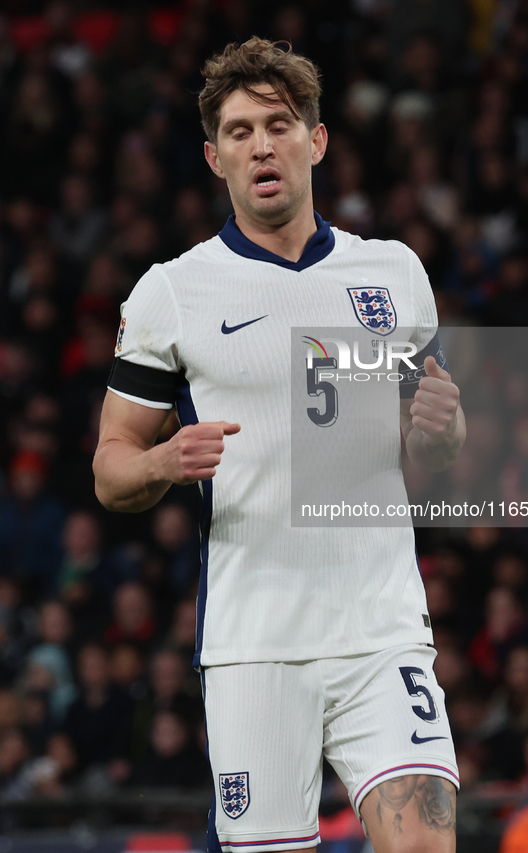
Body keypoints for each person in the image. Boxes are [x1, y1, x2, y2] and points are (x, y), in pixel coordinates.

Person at [93, 37, 465, 853]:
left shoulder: (390, 273)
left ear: (316, 141)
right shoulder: (172, 293)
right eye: (238, 131)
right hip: (254, 645)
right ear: (213, 157)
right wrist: (161, 460)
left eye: (279, 123)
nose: (261, 143)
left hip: (381, 629)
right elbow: (111, 465)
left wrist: (440, 431)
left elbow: (438, 445)